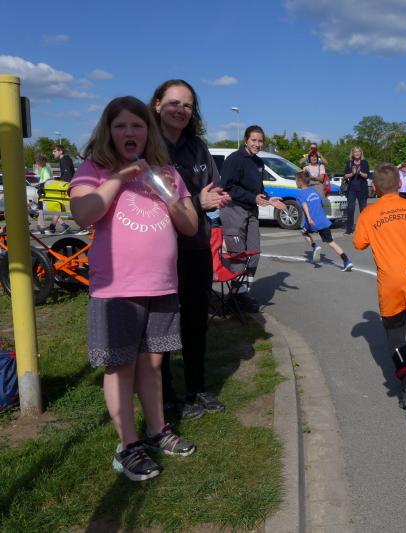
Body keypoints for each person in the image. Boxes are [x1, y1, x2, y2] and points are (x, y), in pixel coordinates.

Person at [68, 96, 199, 481]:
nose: (130, 132)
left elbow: (190, 226)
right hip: (117, 288)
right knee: (121, 365)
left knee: (153, 363)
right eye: (121, 125)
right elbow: (83, 213)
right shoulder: (95, 169)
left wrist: (168, 195)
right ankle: (127, 445)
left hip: (161, 284)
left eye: (137, 125)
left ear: (148, 132)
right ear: (108, 130)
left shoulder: (166, 172)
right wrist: (120, 177)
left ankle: (157, 431)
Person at [150, 79, 232, 419]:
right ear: (157, 105)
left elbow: (213, 187)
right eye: (174, 103)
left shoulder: (197, 147)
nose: (181, 110)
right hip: (160, 250)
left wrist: (216, 198)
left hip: (196, 246)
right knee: (162, 326)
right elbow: (147, 203)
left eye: (187, 105)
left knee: (196, 322)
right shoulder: (147, 146)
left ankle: (196, 388)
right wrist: (199, 201)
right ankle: (165, 395)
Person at [353, 163, 406, 409]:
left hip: (390, 281)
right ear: (400, 184)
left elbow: (359, 243)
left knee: (394, 333)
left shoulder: (369, 213)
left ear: (374, 187)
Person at [219, 125, 286, 312]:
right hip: (234, 210)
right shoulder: (234, 159)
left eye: (260, 141)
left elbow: (257, 190)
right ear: (246, 140)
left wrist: (267, 199)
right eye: (254, 140)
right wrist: (252, 198)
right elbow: (227, 187)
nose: (257, 144)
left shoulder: (258, 162)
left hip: (251, 212)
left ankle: (242, 292)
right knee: (238, 255)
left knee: (254, 254)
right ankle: (236, 297)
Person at [295, 170, 352, 271]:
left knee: (304, 232)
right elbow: (321, 202)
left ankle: (314, 246)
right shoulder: (314, 191)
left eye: (296, 180)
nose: (295, 182)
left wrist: (309, 217)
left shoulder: (300, 194)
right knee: (331, 242)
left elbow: (304, 206)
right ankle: (346, 261)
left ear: (300, 182)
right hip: (322, 220)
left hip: (312, 221)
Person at [343, 146, 370, 234]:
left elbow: (367, 176)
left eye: (358, 152)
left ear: (361, 153)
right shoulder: (349, 163)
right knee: (350, 209)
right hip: (351, 189)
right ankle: (349, 229)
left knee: (363, 210)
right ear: (353, 153)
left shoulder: (364, 162)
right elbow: (345, 175)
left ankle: (364, 229)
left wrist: (360, 172)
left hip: (362, 189)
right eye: (355, 152)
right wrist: (352, 173)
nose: (357, 153)